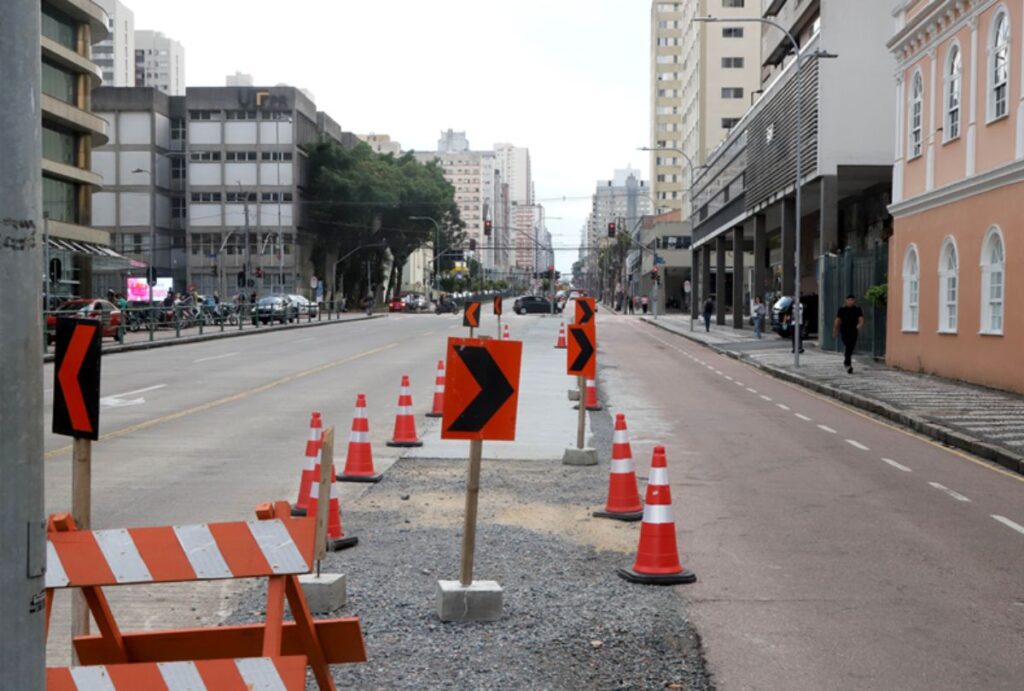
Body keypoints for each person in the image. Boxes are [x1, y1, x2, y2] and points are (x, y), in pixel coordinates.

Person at [833, 294, 864, 373]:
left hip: (853, 330)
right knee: (848, 345)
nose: (850, 301)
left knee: (851, 346)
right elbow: (838, 320)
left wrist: (860, 325)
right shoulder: (842, 309)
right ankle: (848, 364)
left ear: (854, 301)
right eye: (849, 300)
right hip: (844, 330)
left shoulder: (857, 309)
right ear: (846, 301)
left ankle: (847, 362)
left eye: (852, 300)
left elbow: (861, 319)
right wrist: (835, 330)